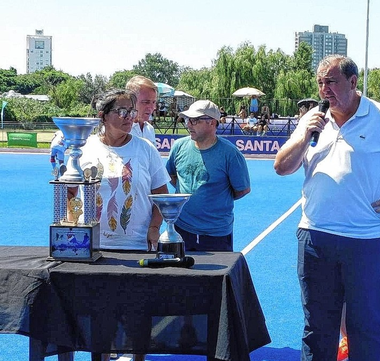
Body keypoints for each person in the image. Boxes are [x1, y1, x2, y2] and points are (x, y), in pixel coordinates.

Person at [274, 55, 380, 361]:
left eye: (331, 82)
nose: (324, 90)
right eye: (320, 83)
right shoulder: (311, 120)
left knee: (368, 328)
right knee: (317, 328)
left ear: (353, 82)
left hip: (370, 242)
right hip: (316, 238)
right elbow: (282, 167)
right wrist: (305, 134)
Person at [75, 89, 170, 361]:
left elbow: (161, 195)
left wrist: (154, 228)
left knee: (137, 316)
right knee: (100, 317)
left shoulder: (145, 149)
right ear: (102, 116)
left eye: (131, 111)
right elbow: (71, 192)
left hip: (136, 246)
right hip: (95, 248)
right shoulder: (85, 147)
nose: (130, 116)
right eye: (122, 111)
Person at [167, 100, 251, 252]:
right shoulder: (179, 146)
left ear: (212, 123)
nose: (188, 125)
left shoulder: (230, 154)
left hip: (216, 234)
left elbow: (242, 189)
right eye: (187, 120)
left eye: (194, 120)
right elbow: (172, 175)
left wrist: (215, 200)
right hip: (181, 228)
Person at [126, 75, 157, 146]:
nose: (152, 107)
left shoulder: (149, 129)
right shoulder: (121, 130)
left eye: (154, 102)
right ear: (131, 102)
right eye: (146, 102)